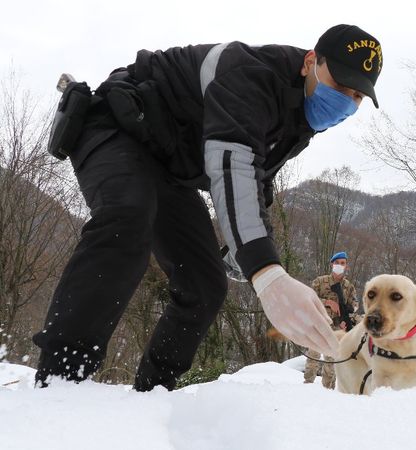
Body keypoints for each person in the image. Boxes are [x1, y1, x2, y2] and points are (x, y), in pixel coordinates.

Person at [33, 25, 383, 391]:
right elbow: (232, 164)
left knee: (205, 283)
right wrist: (266, 273)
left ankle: (154, 392)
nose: (347, 101)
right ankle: (62, 375)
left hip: (168, 170)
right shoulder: (248, 74)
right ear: (311, 61)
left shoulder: (301, 118)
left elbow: (258, 181)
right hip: (118, 126)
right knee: (127, 217)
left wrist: (249, 249)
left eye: (358, 95)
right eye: (341, 85)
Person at [303, 251, 358, 389]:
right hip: (318, 323)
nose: (339, 265)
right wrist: (327, 302)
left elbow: (355, 305)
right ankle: (306, 387)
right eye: (337, 263)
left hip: (337, 327)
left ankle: (328, 390)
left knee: (332, 359)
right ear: (332, 264)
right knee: (313, 356)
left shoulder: (349, 286)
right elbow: (308, 299)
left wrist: (348, 316)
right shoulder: (320, 281)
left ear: (347, 266)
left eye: (342, 263)